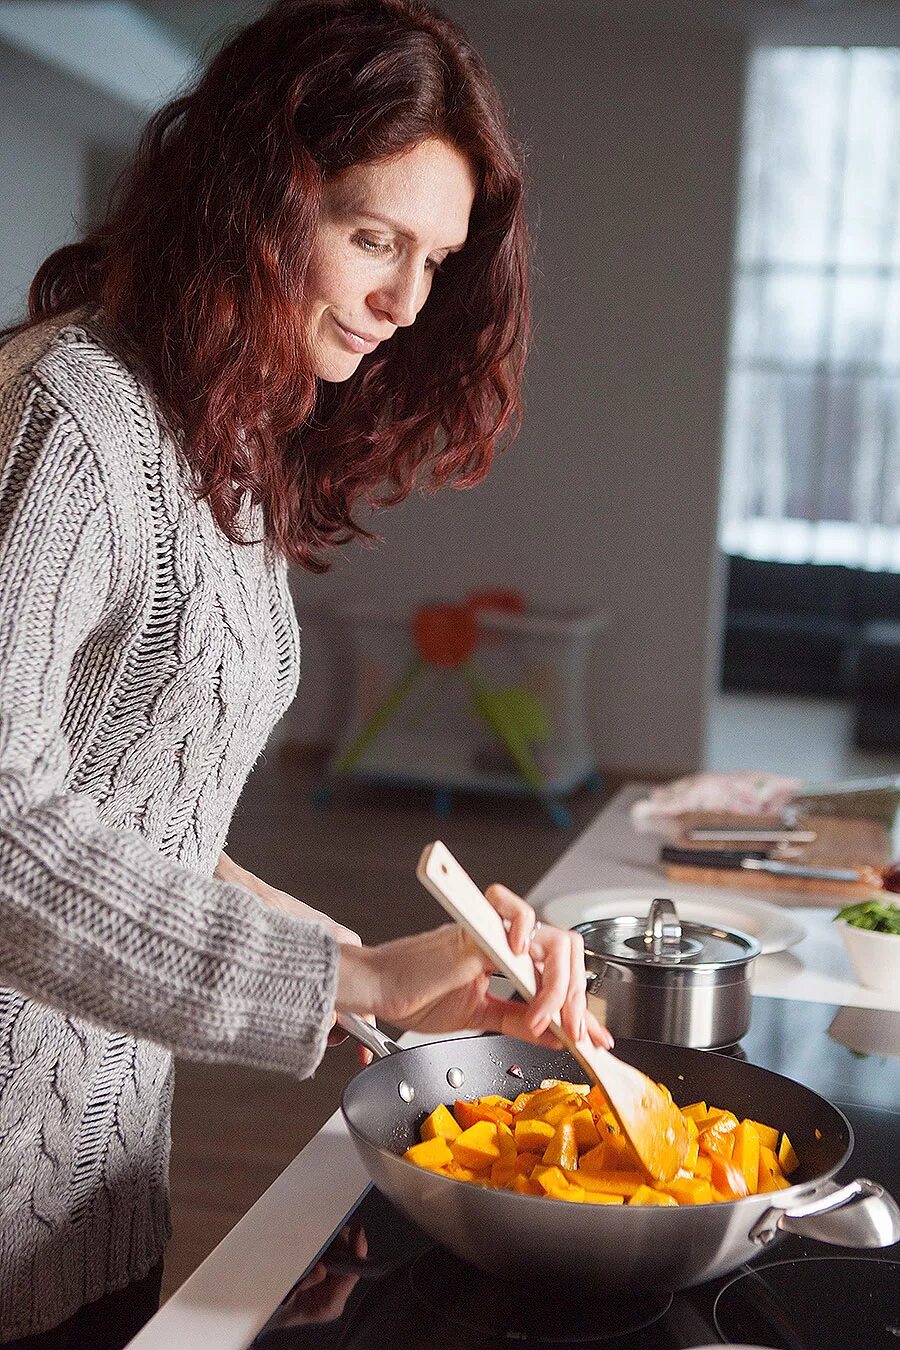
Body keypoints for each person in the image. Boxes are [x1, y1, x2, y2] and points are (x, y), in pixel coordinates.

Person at [0, 2, 609, 1346]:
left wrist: (379, 969)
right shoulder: (77, 418)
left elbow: (134, 816)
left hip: (86, 1180)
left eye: (435, 257)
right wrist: (360, 984)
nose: (405, 303)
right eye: (371, 236)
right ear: (251, 201)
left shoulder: (222, 435)